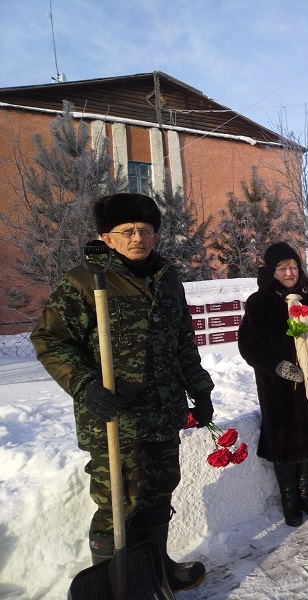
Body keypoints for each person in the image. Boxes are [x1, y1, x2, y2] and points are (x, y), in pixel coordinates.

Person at [30, 192, 213, 591]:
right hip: (115, 419)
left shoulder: (168, 280)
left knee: (158, 493)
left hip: (163, 413)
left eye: (146, 230)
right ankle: (118, 586)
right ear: (106, 237)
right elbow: (49, 340)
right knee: (116, 505)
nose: (138, 238)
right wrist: (84, 384)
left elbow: (183, 340)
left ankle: (155, 570)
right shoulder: (84, 282)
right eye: (127, 230)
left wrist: (200, 389)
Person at [237, 242, 308, 526]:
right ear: (272, 271)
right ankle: (289, 498)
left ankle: (305, 494)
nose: (289, 272)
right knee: (285, 443)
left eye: (294, 267)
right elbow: (248, 344)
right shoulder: (260, 302)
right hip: (279, 389)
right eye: (283, 268)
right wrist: (277, 366)